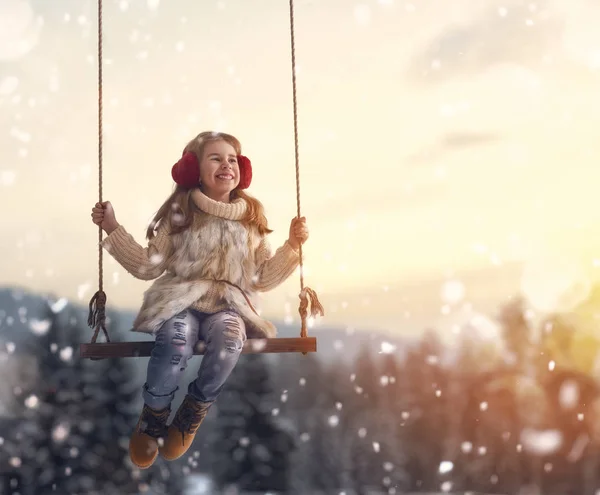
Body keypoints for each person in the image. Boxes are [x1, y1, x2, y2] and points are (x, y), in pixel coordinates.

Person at [90, 131, 309, 469]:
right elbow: (148, 266)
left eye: (233, 159)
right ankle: (154, 413)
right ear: (194, 169)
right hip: (180, 300)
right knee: (176, 342)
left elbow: (261, 277)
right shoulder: (181, 212)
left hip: (230, 304)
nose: (226, 165)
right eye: (216, 158)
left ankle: (194, 407)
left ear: (242, 170)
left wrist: (292, 246)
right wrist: (113, 228)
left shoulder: (251, 219)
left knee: (230, 341)